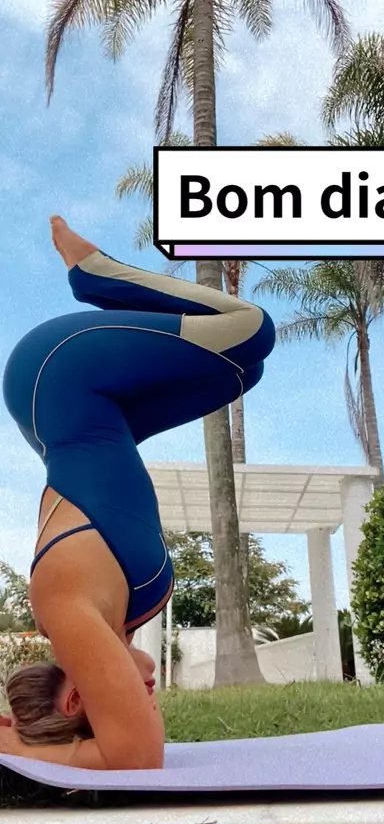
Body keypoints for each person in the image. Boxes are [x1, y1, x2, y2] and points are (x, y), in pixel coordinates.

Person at [0, 217, 275, 770]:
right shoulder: (116, 612)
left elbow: (136, 755)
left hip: (57, 377)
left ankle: (94, 273)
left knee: (250, 329)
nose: (147, 698)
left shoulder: (65, 607)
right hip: (103, 414)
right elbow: (134, 746)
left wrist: (19, 748)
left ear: (76, 701)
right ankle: (98, 278)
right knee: (238, 372)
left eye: (129, 703)